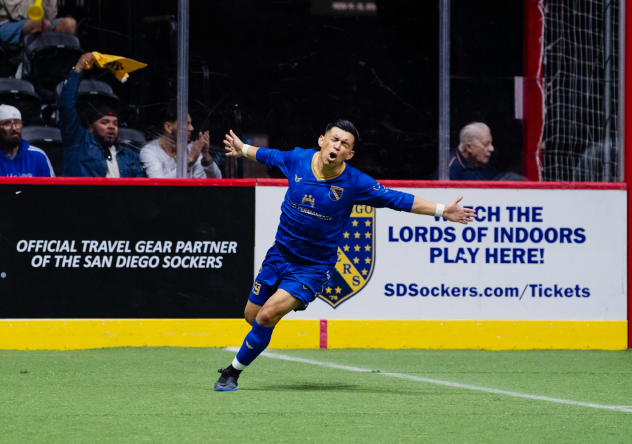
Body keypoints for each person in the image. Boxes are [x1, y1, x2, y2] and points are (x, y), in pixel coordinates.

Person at [214, 120, 477, 391]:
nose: (337, 146)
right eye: (334, 139)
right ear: (321, 140)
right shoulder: (298, 160)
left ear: (349, 154)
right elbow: (269, 155)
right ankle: (282, 308)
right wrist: (243, 147)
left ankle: (231, 373)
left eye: (345, 145)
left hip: (313, 268)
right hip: (278, 256)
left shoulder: (354, 182)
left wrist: (441, 210)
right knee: (252, 315)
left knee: (267, 315)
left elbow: (396, 199)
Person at [59, 52, 144, 178]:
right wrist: (77, 70)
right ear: (91, 127)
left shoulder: (130, 156)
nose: (111, 126)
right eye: (105, 122)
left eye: (115, 123)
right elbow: (66, 107)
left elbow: (140, 189)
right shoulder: (78, 143)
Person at [139, 108, 222, 178]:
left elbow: (217, 179)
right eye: (186, 124)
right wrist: (189, 161)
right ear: (168, 127)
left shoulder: (191, 149)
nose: (192, 128)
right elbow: (159, 184)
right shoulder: (149, 151)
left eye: (191, 124)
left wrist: (205, 155)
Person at [0, 104, 54, 176]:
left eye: (17, 122)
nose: (14, 128)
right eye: (6, 123)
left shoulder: (38, 156)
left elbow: (51, 186)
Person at [0, 0, 76, 45]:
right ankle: (29, 67)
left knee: (70, 24)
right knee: (38, 23)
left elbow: (50, 15)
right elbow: (17, 14)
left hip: (43, 22)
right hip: (8, 23)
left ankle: (62, 67)